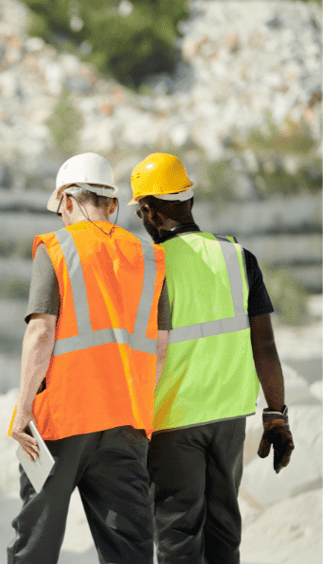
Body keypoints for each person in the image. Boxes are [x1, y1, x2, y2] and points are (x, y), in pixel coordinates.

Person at [129, 152, 295, 564]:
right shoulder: (238, 258)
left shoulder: (151, 267)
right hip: (228, 420)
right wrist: (276, 414)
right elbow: (266, 347)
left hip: (172, 421)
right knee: (224, 535)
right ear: (188, 200)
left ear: (149, 211)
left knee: (177, 537)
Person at [7, 152, 168, 564]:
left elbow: (41, 331)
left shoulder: (57, 248)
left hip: (63, 420)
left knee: (35, 546)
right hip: (127, 424)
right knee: (129, 550)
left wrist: (23, 408)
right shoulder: (150, 259)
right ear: (112, 205)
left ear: (65, 200)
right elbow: (161, 347)